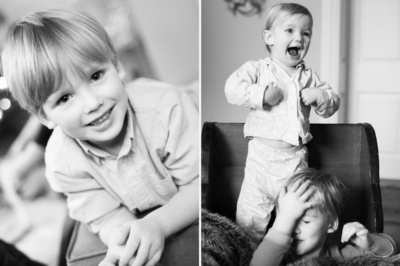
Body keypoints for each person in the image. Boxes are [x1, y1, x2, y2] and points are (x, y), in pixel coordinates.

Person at [1, 8, 199, 266]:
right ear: (44, 117)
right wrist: (125, 244)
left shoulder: (165, 109)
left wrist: (157, 224)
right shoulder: (62, 162)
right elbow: (107, 216)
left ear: (117, 66)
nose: (92, 103)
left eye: (96, 76)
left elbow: (198, 187)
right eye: (64, 98)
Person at [224, 3, 340, 241]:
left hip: (294, 162)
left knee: (298, 216)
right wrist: (261, 95)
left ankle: (292, 256)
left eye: (305, 33)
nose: (299, 37)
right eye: (289, 30)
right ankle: (247, 256)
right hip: (260, 160)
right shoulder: (257, 70)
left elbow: (333, 102)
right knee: (249, 219)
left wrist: (320, 97)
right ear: (269, 37)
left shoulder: (309, 77)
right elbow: (231, 89)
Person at [251, 168, 399, 266]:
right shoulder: (273, 256)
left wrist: (371, 243)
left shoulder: (338, 257)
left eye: (306, 221)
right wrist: (284, 220)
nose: (294, 229)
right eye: (288, 219)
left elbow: (393, 250)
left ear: (331, 224)